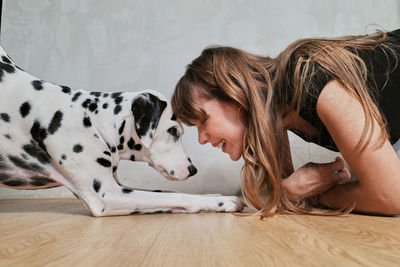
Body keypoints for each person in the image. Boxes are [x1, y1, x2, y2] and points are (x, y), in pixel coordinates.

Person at [171, 29, 400, 218]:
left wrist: (313, 196)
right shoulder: (279, 114)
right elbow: (277, 192)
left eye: (202, 120)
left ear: (232, 91)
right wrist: (291, 190)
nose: (201, 139)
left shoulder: (307, 75)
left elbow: (391, 196)